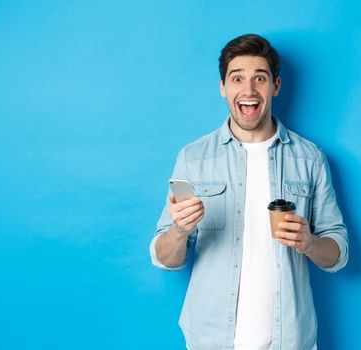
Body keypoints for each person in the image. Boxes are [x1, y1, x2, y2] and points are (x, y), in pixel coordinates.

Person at [149, 34, 349, 349]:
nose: (249, 90)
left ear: (276, 86)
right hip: (210, 339)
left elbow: (338, 254)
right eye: (237, 78)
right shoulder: (193, 157)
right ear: (223, 87)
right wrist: (178, 230)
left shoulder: (310, 158)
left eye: (260, 78)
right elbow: (164, 257)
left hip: (290, 340)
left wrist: (309, 242)